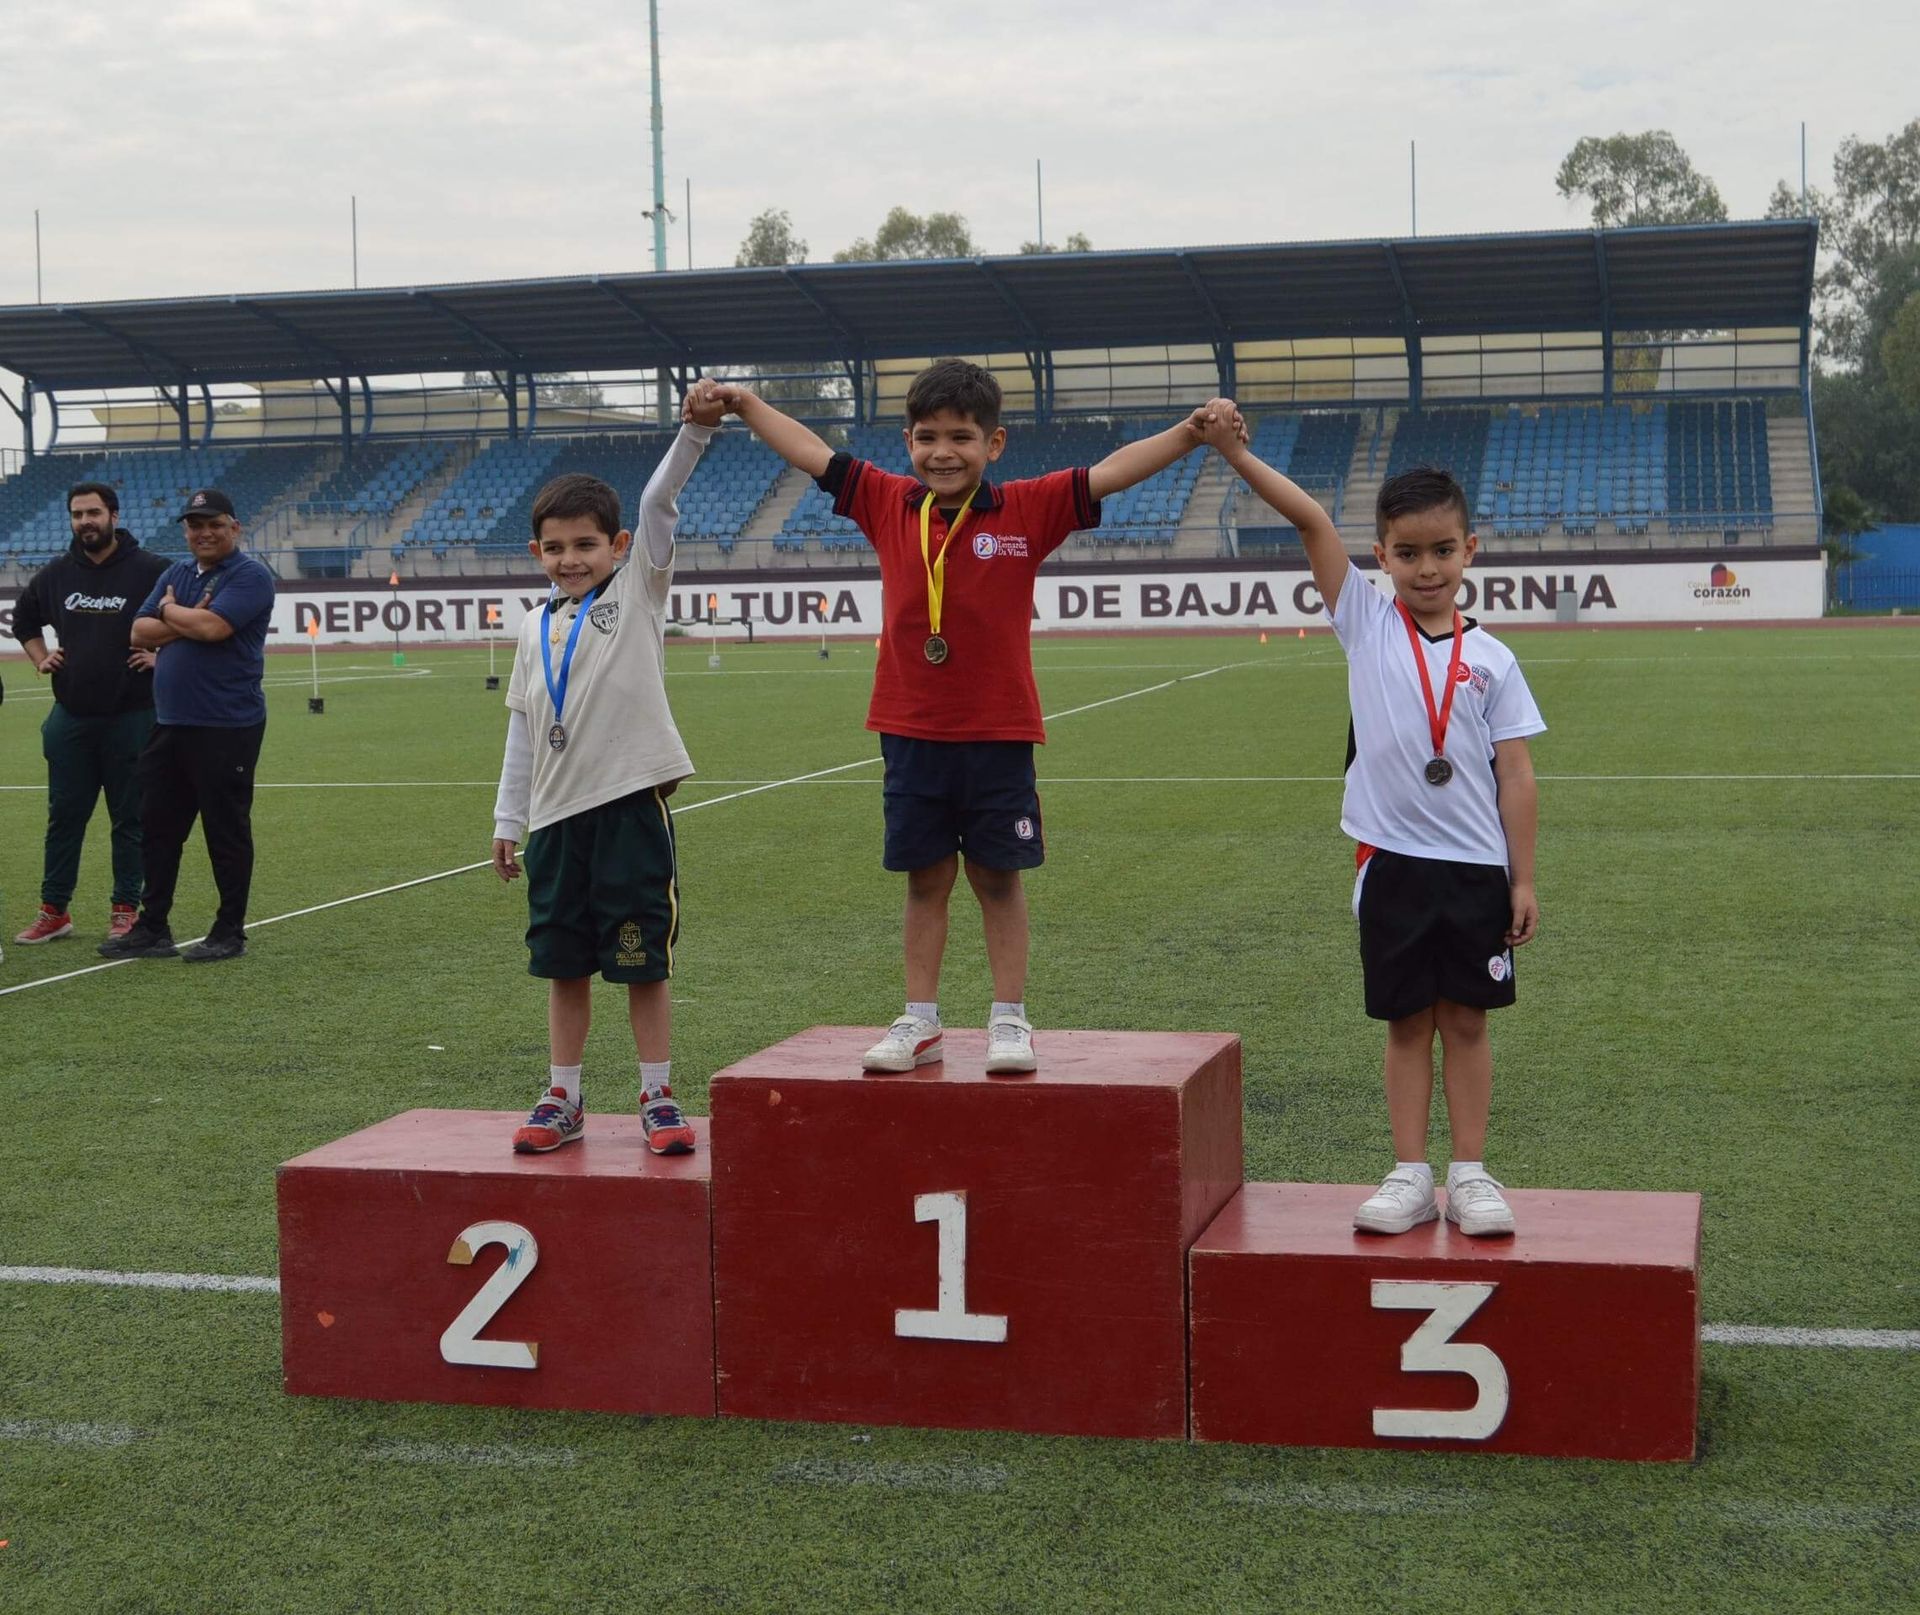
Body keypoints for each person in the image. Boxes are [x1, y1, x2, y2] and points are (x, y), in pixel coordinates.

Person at [701, 362, 1236, 1076]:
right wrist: (745, 403)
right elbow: (813, 453)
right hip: (910, 730)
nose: (943, 452)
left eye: (961, 437)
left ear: (994, 443)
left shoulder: (1027, 509)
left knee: (998, 877)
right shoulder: (887, 500)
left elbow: (1110, 473)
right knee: (924, 880)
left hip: (999, 733)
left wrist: (1190, 433)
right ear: (908, 442)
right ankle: (920, 1020)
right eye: (927, 437)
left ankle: (1009, 1019)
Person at [1207, 420, 1544, 1237]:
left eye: (1442, 550)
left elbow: (1517, 774)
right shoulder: (1364, 619)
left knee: (1467, 1021)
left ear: (1470, 550)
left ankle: (1471, 1173)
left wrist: (1524, 877)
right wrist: (1236, 454)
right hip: (1390, 861)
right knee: (1407, 1022)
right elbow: (1310, 520)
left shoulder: (1494, 659)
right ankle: (1409, 1172)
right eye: (1408, 552)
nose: (1427, 568)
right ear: (1381, 556)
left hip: (1476, 867)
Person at [491, 390, 725, 1157]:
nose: (570, 558)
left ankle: (657, 1092)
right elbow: (524, 726)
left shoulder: (637, 590)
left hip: (628, 811)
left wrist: (694, 430)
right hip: (556, 823)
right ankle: (564, 1094)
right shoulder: (533, 627)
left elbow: (660, 500)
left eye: (586, 544)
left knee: (641, 961)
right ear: (536, 551)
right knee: (564, 964)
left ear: (620, 545)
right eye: (555, 547)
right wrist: (508, 819)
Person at [102, 489, 275, 964]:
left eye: (214, 524)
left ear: (234, 527)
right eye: (195, 525)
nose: (204, 533)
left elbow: (213, 629)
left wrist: (169, 611)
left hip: (227, 725)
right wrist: (190, 617)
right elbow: (137, 632)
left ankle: (229, 931)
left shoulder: (250, 575)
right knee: (158, 829)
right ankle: (153, 927)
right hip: (171, 722)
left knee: (225, 831)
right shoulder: (176, 573)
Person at [11, 483, 171, 947]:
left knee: (131, 820)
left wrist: (162, 655)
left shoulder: (152, 569)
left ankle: (125, 911)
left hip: (133, 716)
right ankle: (54, 911)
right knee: (64, 818)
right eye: (77, 514)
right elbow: (23, 621)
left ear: (114, 516)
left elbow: (190, 617)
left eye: (94, 513)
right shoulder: (56, 574)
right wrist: (40, 657)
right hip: (71, 718)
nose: (85, 522)